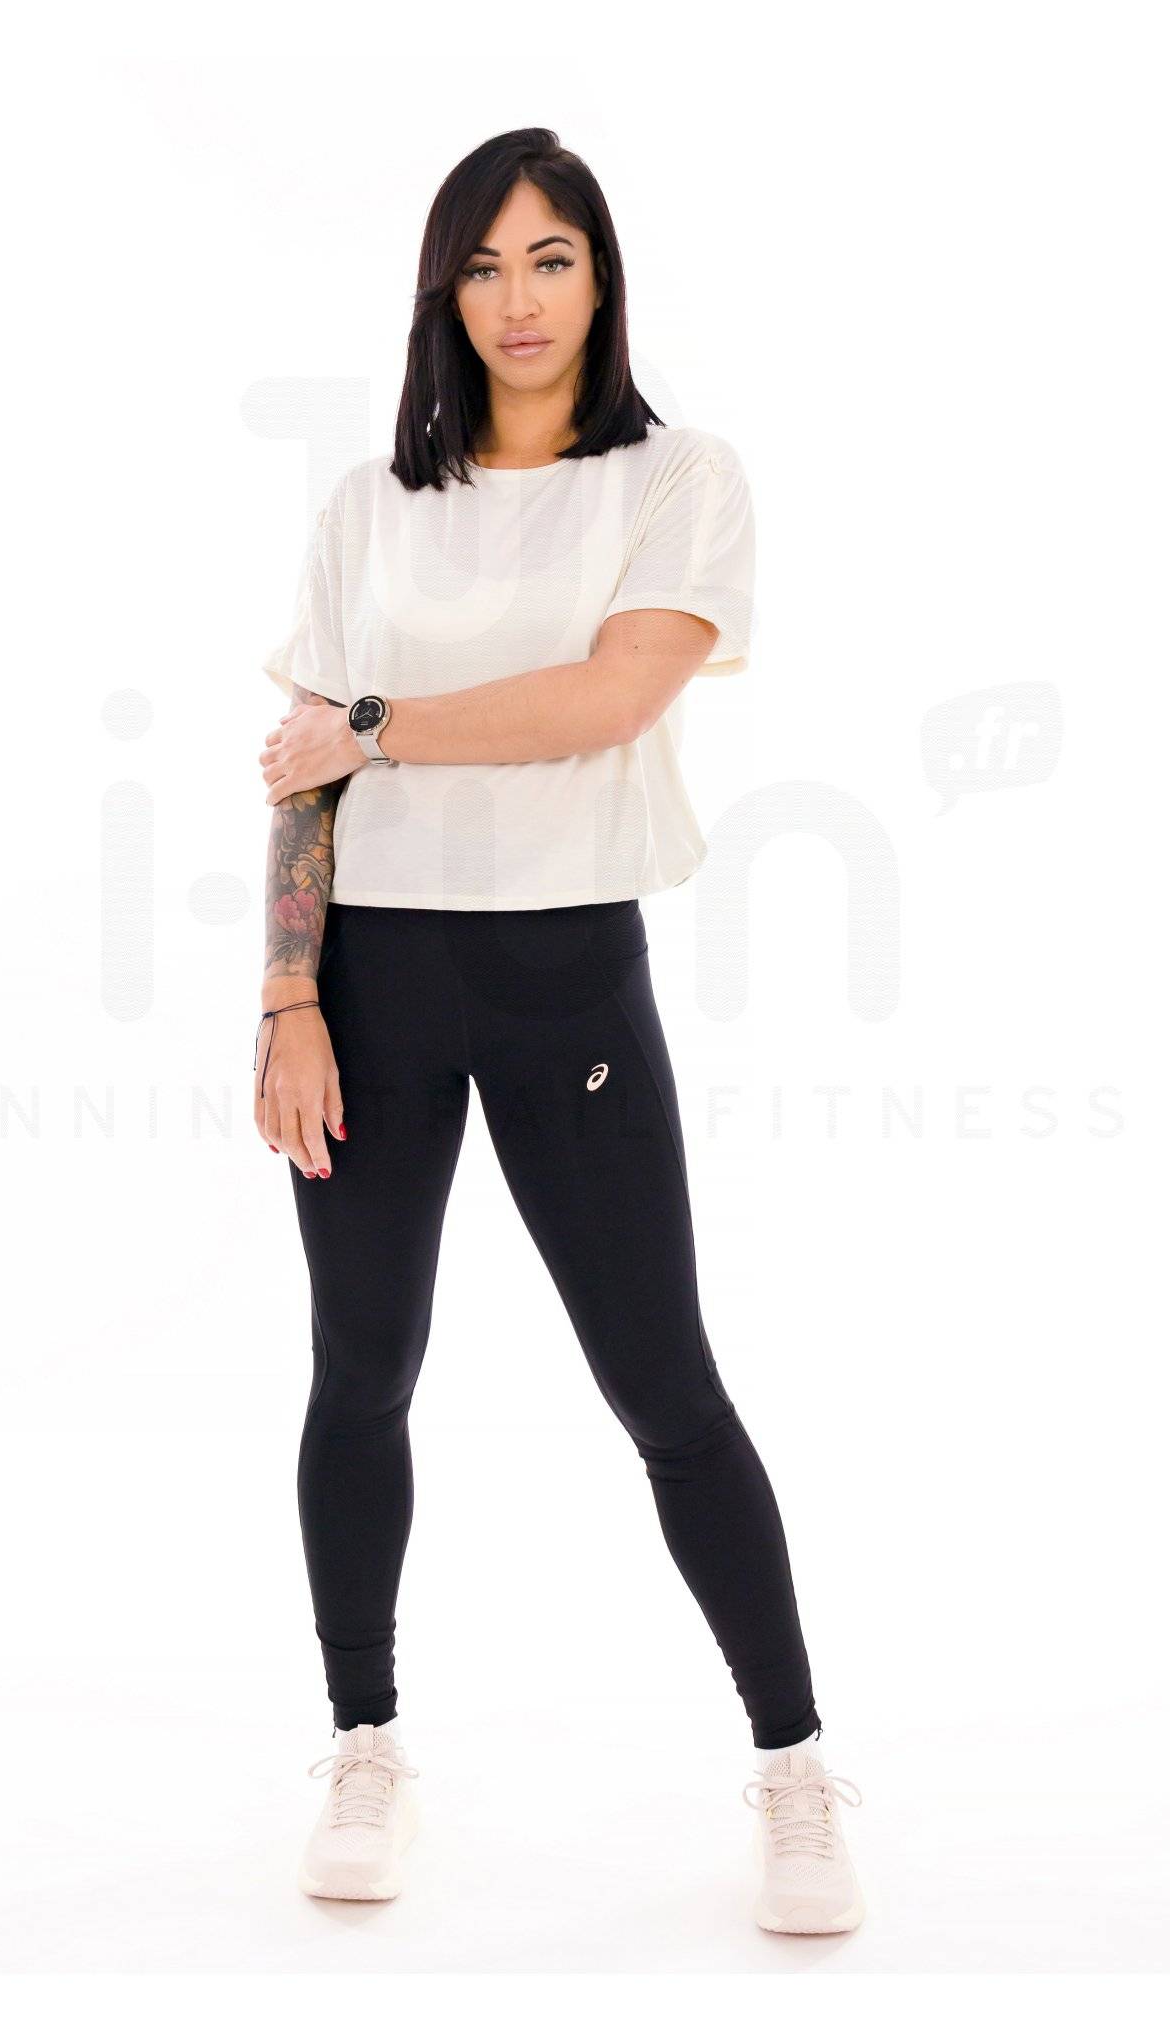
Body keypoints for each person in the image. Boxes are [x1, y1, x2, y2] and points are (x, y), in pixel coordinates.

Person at [253, 128, 865, 1934]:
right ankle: (364, 1742)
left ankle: (794, 1767)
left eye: (551, 260)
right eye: (483, 265)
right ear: (443, 293)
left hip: (563, 976)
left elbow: (607, 701)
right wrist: (287, 997)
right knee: (360, 1372)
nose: (517, 299)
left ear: (602, 280)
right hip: (372, 981)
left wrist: (373, 721)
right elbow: (298, 772)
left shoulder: (678, 478)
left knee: (664, 1385)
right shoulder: (371, 502)